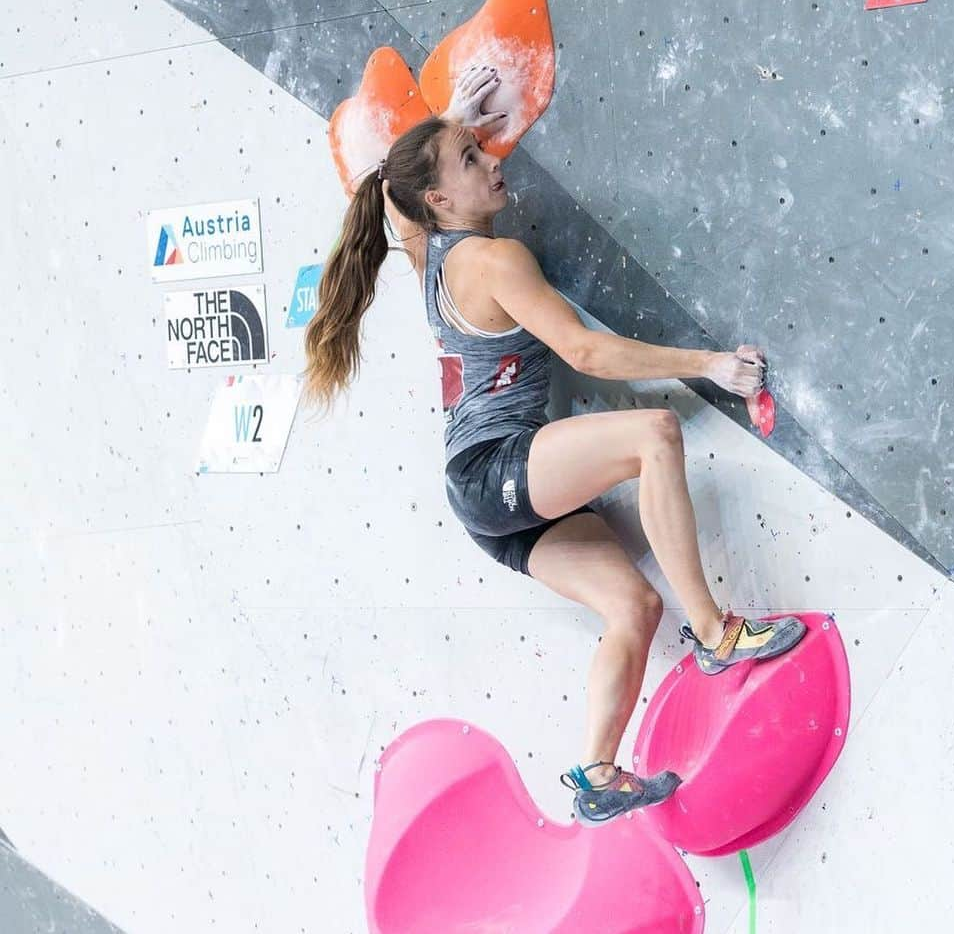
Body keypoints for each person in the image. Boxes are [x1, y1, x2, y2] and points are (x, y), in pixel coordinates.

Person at [303, 64, 806, 827]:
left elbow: (389, 193)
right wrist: (708, 365)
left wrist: (449, 123)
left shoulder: (424, 249)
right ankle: (715, 631)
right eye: (471, 162)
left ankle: (600, 772)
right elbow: (589, 354)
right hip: (495, 472)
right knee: (654, 433)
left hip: (483, 503)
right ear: (440, 200)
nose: (493, 161)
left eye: (481, 149)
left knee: (632, 604)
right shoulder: (490, 260)